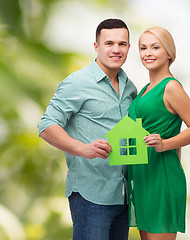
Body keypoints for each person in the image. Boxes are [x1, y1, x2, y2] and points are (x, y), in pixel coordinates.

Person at [37, 18, 137, 240]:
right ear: (96, 46)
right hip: (90, 194)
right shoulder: (77, 82)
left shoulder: (130, 87)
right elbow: (46, 125)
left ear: (129, 47)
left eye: (122, 44)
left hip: (122, 194)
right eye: (109, 43)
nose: (116, 49)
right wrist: (83, 149)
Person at [128, 26, 190, 240]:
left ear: (169, 53)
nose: (148, 53)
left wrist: (164, 144)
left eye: (155, 47)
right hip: (143, 177)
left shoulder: (171, 87)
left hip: (162, 176)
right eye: (143, 48)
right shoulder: (144, 90)